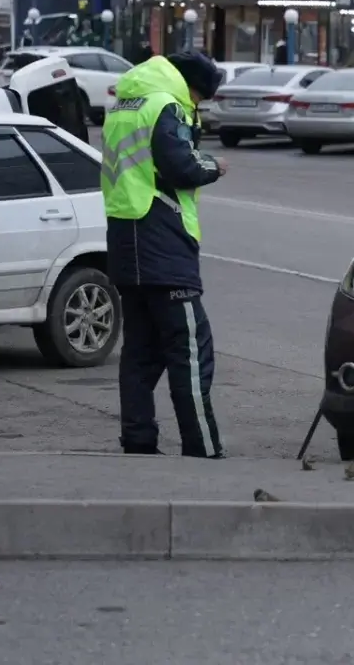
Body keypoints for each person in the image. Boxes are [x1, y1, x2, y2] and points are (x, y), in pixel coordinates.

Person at [101, 51, 228, 457]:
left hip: (126, 238)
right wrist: (214, 165)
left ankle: (138, 441)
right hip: (162, 240)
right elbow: (181, 167)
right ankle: (202, 447)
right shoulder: (166, 104)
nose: (197, 107)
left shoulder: (126, 103)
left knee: (139, 352)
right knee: (190, 349)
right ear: (190, 86)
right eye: (199, 99)